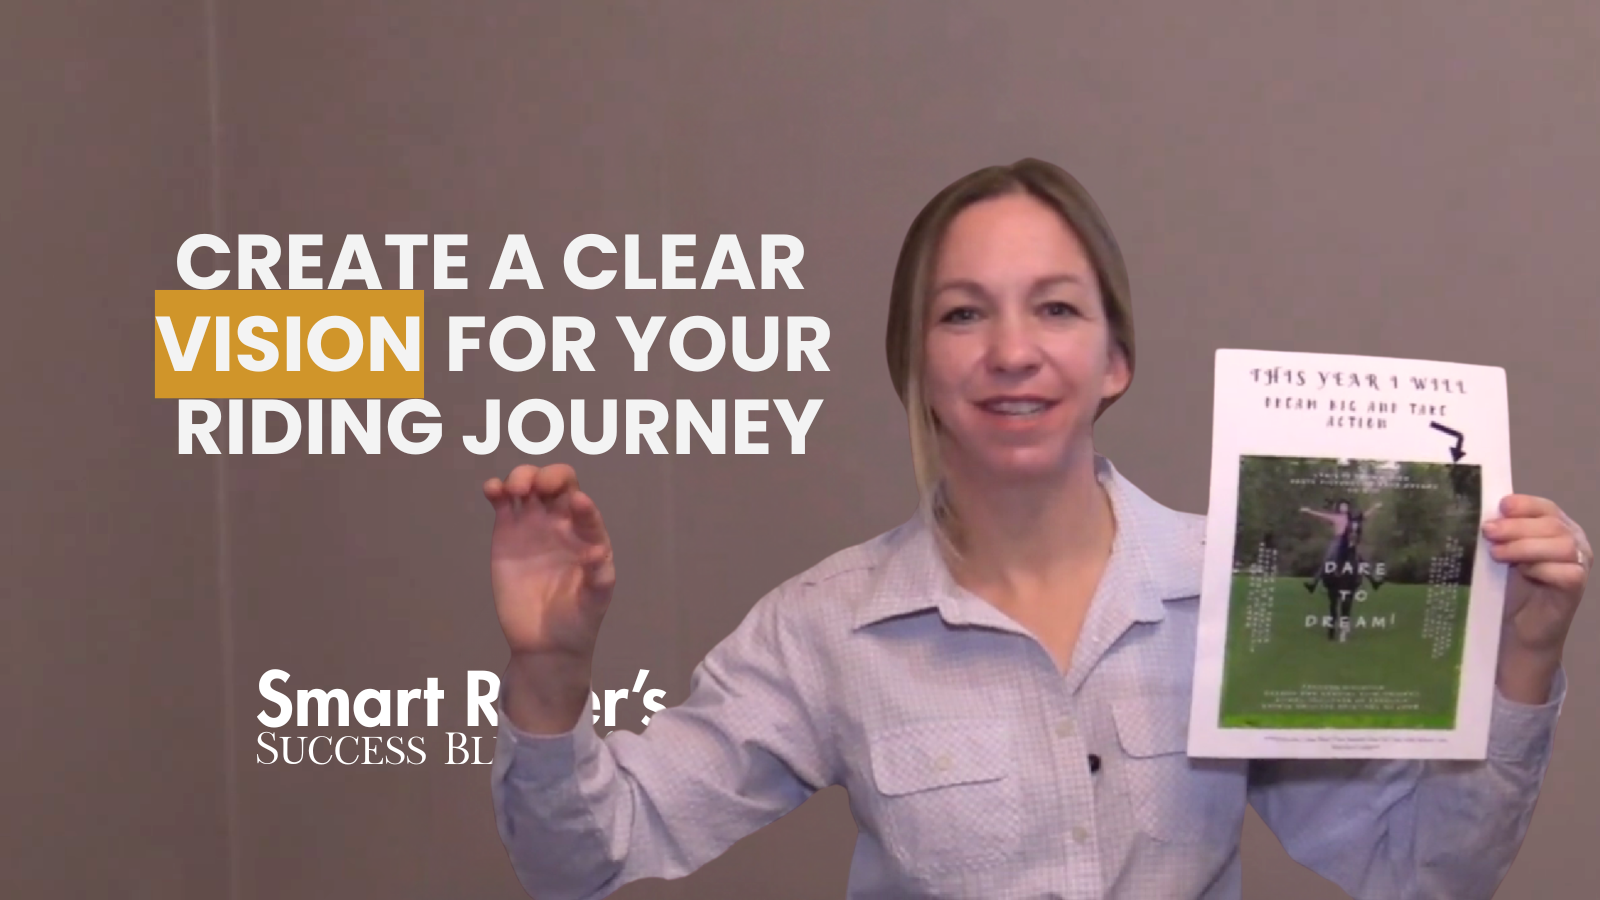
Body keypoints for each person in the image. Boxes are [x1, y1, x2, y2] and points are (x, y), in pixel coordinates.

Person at [482, 159, 1590, 899]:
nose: (1012, 351)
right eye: (963, 313)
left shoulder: (1242, 587)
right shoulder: (826, 629)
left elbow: (1424, 874)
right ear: (916, 366)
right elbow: (583, 856)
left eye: (1055, 307)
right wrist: (548, 673)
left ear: (1114, 360)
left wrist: (1524, 655)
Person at [1299, 498, 1383, 593]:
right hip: (1338, 540)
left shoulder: (1352, 517)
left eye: (1345, 506)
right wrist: (1309, 511)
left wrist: (1375, 507)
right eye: (1342, 506)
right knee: (1328, 560)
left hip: (1349, 540)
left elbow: (1365, 516)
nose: (1344, 507)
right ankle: (1313, 583)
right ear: (1339, 507)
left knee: (1360, 559)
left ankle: (1373, 581)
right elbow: (1321, 516)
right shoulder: (1335, 517)